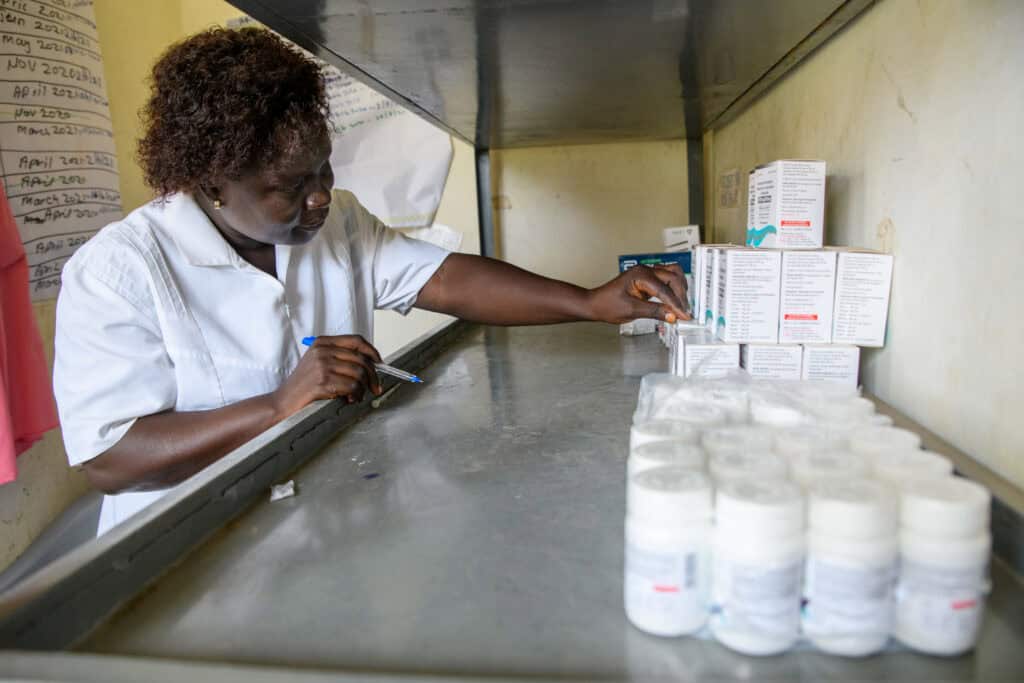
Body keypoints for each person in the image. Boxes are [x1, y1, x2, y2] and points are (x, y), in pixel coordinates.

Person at [53, 27, 688, 535]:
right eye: (290, 187)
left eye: (324, 170)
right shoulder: (121, 270)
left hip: (326, 521)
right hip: (181, 550)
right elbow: (111, 458)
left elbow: (443, 279)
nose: (321, 197)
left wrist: (591, 301)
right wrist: (279, 405)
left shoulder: (339, 222)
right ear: (214, 182)